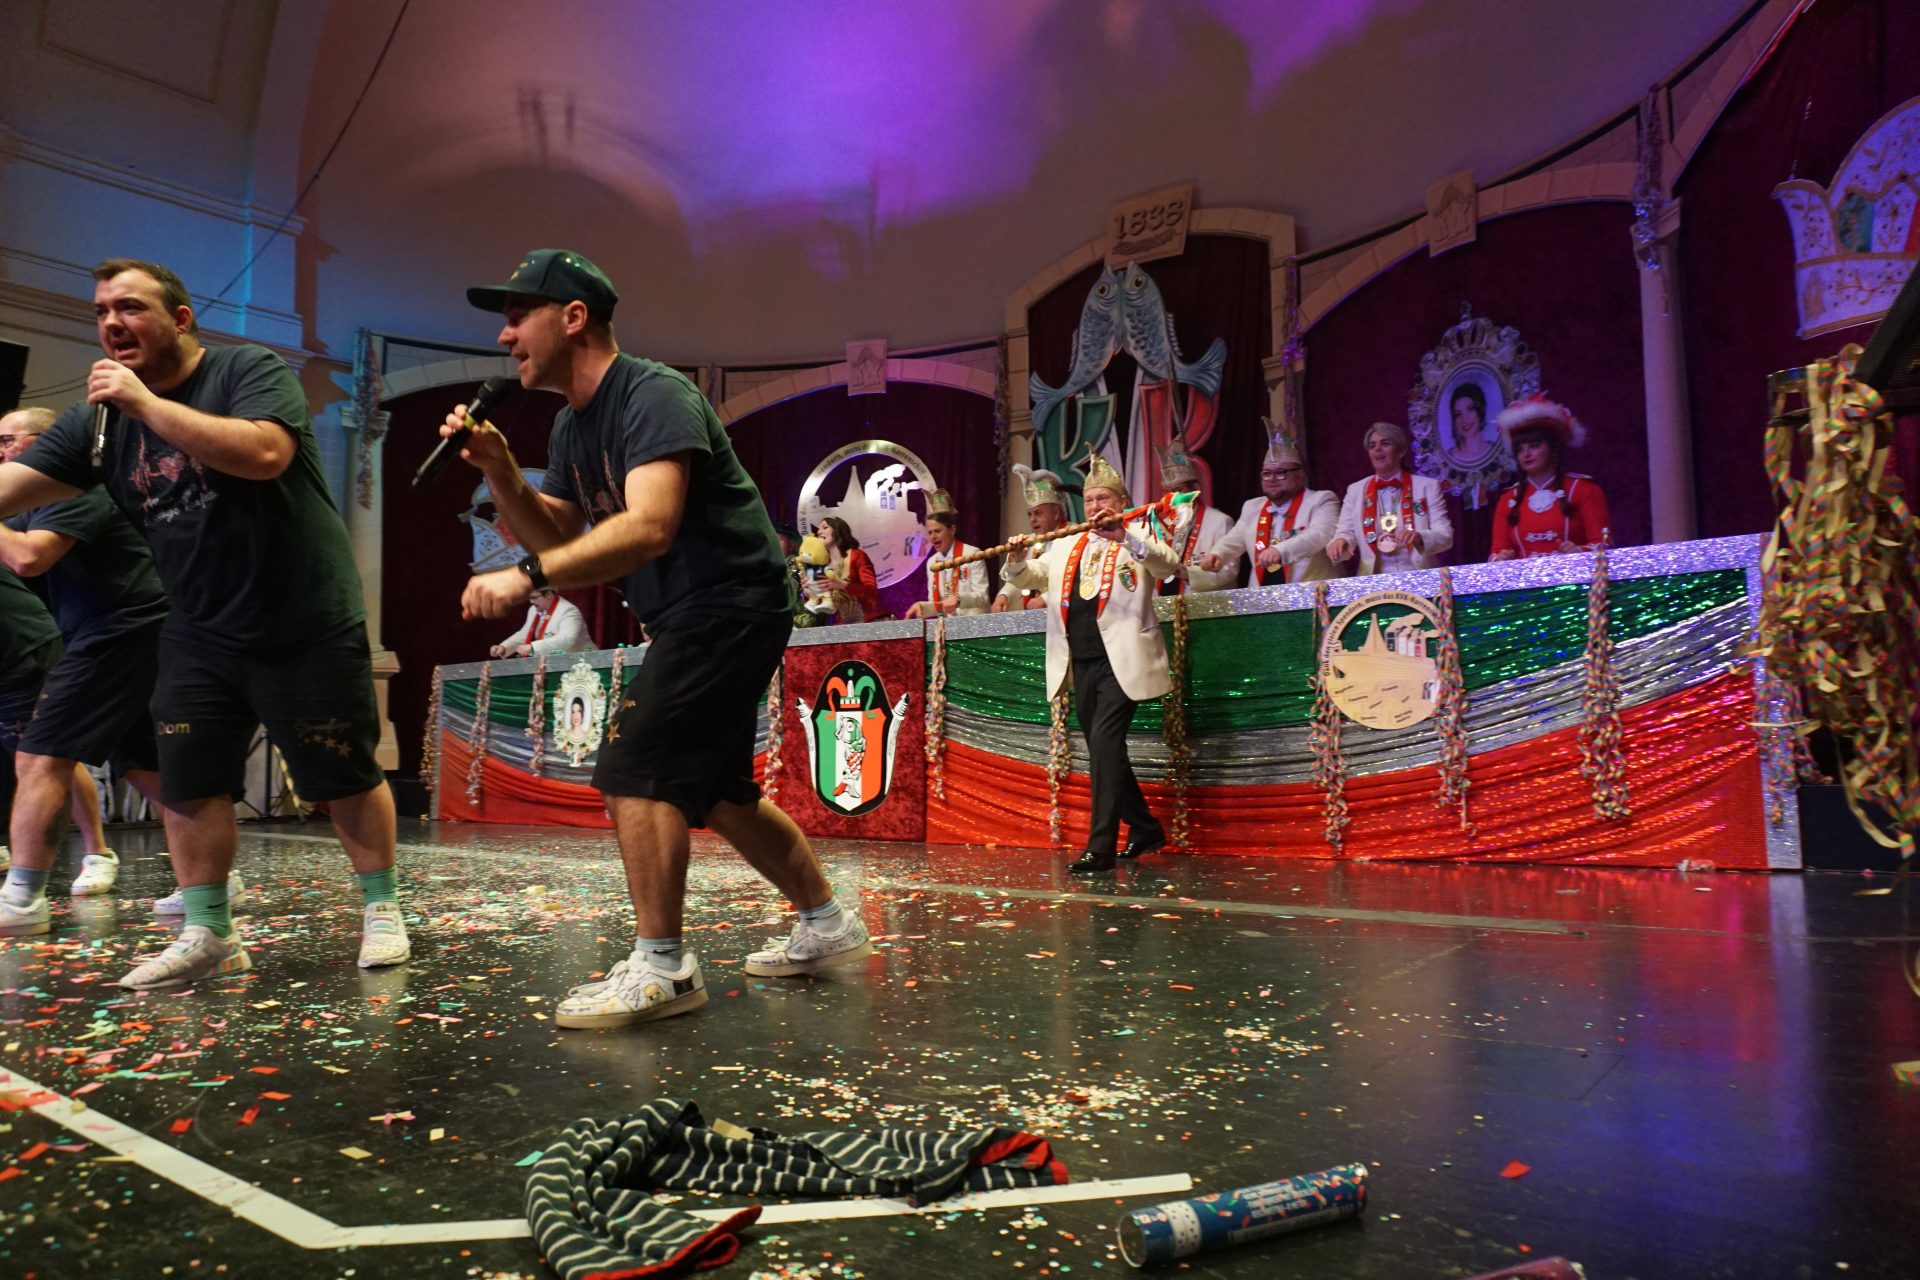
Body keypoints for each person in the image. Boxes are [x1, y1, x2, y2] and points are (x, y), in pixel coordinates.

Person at [451, 248, 868, 1028]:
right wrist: (504, 472)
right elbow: (562, 535)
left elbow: (649, 526)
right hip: (692, 613)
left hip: (729, 601)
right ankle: (827, 922)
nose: (505, 337)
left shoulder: (652, 393)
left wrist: (526, 575)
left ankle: (664, 967)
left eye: (518, 316)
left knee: (635, 766)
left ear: (573, 318)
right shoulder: (571, 427)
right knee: (716, 793)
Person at [0, 257, 410, 986]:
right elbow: (12, 486)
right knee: (189, 780)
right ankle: (209, 931)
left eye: (130, 307)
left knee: (340, 770)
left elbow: (264, 452)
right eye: (101, 312)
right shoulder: (98, 421)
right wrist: (127, 406)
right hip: (196, 624)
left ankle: (381, 909)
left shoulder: (245, 369)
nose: (111, 323)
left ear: (181, 319)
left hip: (302, 613)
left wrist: (142, 403)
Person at [0, 406, 170, 927]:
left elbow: (29, 557)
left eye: (8, 440)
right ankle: (212, 874)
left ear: (48, 442)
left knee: (40, 753)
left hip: (124, 626)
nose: (1, 452)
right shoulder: (34, 501)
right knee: (139, 762)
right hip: (103, 629)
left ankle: (23, 898)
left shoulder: (78, 488)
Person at [1001, 453, 1177, 873]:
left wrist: (1125, 537)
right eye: (1092, 499)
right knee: (1104, 749)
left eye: (1104, 499)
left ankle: (1100, 846)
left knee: (1104, 741)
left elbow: (1169, 566)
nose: (1097, 506)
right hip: (1081, 663)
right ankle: (1145, 828)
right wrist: (1017, 559)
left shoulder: (1139, 535)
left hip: (1123, 661)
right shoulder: (1066, 542)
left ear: (1120, 502)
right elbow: (1030, 577)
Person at [0, 568, 69, 936]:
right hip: (17, 650)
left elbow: (30, 560)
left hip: (22, 652)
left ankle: (97, 852)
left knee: (42, 759)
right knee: (43, 760)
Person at [1201, 419, 1339, 586]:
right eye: (1266, 473)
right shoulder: (1252, 506)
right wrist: (1218, 554)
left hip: (1312, 594)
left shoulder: (1321, 500)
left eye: (1280, 472)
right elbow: (1235, 538)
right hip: (1263, 596)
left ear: (1298, 475)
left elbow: (1319, 535)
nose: (1272, 479)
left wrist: (1280, 550)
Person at [1488, 395, 1612, 560]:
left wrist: (1579, 552)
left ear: (1553, 448)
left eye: (1534, 446)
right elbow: (1497, 552)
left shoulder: (1583, 489)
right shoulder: (1508, 499)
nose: (1526, 454)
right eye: (1520, 449)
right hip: (1526, 577)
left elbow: (1604, 546)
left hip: (1577, 576)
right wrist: (1503, 558)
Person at [1326, 422, 1453, 575]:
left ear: (1401, 451)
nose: (1377, 449)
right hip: (1373, 580)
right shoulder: (1355, 490)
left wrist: (1419, 537)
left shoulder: (1427, 487)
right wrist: (1341, 541)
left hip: (1420, 576)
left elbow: (1445, 535)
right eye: (1372, 446)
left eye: (1385, 443)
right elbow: (1345, 532)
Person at [1154, 441, 1237, 594]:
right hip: (1163, 603)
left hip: (1203, 603)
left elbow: (1228, 569)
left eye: (1178, 490)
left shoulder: (1220, 522)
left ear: (1196, 489)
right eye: (1166, 492)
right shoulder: (1162, 525)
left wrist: (1189, 574)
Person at [992, 465, 1068, 612]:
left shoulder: (1073, 536)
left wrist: (1045, 598)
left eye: (1038, 513)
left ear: (1056, 513)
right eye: (1030, 514)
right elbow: (1025, 575)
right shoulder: (1029, 541)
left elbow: (1074, 578)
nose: (1032, 519)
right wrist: (1003, 596)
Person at [904, 491, 989, 619]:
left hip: (974, 624)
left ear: (952, 530)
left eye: (937, 531)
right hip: (947, 627)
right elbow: (937, 605)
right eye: (930, 532)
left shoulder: (972, 554)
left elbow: (983, 597)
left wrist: (959, 599)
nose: (933, 537)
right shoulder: (932, 562)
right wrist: (922, 606)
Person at [813, 516, 879, 622]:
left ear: (838, 530)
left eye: (825, 527)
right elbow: (823, 606)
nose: (819, 532)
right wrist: (808, 591)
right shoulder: (823, 567)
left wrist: (843, 585)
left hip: (870, 620)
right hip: (843, 626)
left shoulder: (857, 556)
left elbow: (872, 593)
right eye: (818, 529)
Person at [491, 586, 589, 657]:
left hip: (581, 664)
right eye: (529, 598)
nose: (531, 602)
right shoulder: (533, 610)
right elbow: (525, 633)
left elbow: (566, 639)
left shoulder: (568, 611)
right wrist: (504, 647)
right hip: (555, 664)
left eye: (534, 598)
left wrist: (533, 647)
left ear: (549, 594)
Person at [1447, 382, 1492, 462]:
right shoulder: (1447, 457)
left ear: (1480, 410)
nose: (1464, 419)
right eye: (1458, 414)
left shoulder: (1495, 450)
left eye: (1470, 409)